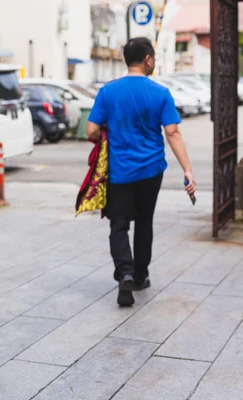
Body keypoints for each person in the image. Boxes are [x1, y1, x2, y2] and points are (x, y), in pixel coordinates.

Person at [86, 37, 196, 307]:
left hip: (120, 171)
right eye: (153, 58)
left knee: (118, 223)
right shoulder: (160, 93)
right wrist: (188, 170)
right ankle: (139, 275)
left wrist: (107, 133)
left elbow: (90, 130)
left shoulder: (108, 92)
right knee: (144, 222)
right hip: (151, 169)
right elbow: (172, 133)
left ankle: (124, 271)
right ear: (147, 59)